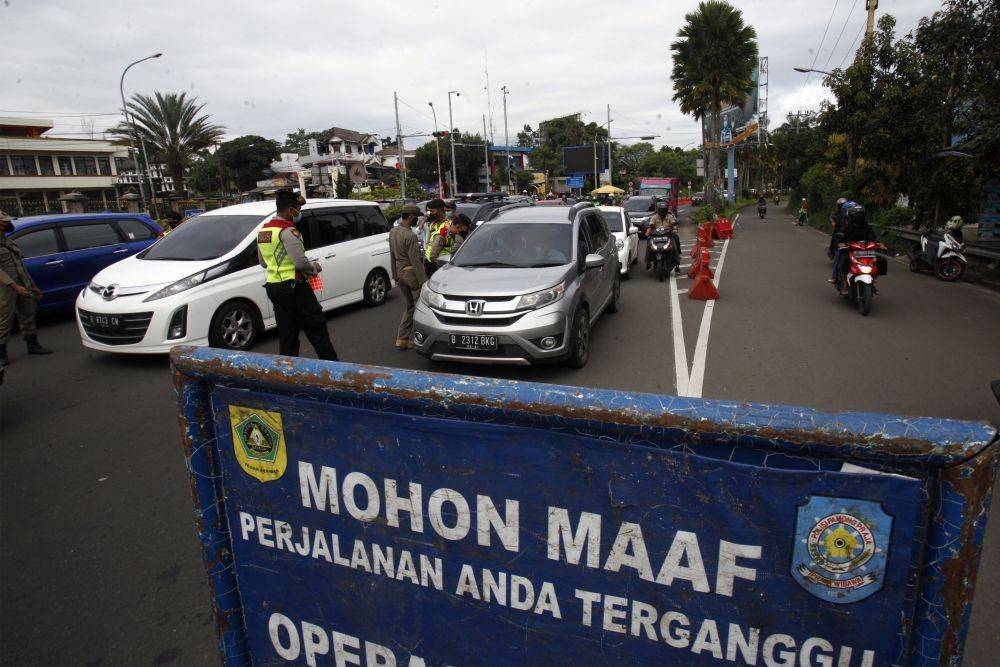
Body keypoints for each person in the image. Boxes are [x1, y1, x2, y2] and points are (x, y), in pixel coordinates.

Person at [256, 190, 339, 360]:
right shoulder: (288, 231)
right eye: (297, 209)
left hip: (274, 288)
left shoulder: (264, 231)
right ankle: (334, 373)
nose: (298, 213)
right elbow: (300, 263)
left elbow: (264, 263)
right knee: (317, 331)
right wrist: (314, 268)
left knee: (288, 335)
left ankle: (287, 374)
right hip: (295, 288)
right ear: (289, 210)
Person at [0, 211, 52, 366]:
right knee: (4, 321)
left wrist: (32, 285)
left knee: (28, 314)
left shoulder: (8, 241)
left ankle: (32, 344)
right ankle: (1, 354)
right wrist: (15, 286)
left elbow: (20, 266)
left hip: (23, 285)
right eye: (4, 222)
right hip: (6, 288)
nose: (7, 224)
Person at [389, 205, 429, 350]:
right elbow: (415, 261)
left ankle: (402, 338)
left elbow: (392, 255)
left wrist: (394, 275)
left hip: (400, 273)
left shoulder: (393, 231)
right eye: (416, 217)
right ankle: (424, 338)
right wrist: (424, 282)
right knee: (421, 307)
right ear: (411, 217)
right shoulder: (410, 235)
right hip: (411, 274)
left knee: (409, 306)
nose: (417, 220)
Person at [831, 205, 885, 293]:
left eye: (860, 215)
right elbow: (842, 237)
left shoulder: (867, 227)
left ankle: (872, 280)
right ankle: (844, 282)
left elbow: (873, 238)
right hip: (851, 251)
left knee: (881, 260)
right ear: (851, 216)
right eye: (856, 215)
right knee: (844, 259)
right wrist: (841, 243)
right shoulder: (848, 227)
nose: (858, 218)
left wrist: (878, 243)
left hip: (866, 252)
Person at [645, 201, 681, 273]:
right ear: (658, 210)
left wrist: (674, 230)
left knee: (675, 243)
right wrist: (648, 232)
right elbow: (650, 226)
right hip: (656, 236)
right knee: (649, 243)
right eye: (661, 210)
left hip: (667, 235)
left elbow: (674, 225)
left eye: (664, 209)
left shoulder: (670, 216)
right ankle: (648, 262)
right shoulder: (654, 217)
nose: (662, 211)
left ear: (666, 209)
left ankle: (677, 263)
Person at [423, 198, 448, 272]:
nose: (431, 214)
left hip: (441, 263)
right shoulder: (432, 224)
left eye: (433, 211)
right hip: (429, 262)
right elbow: (428, 242)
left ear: (441, 210)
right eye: (430, 211)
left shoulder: (450, 224)